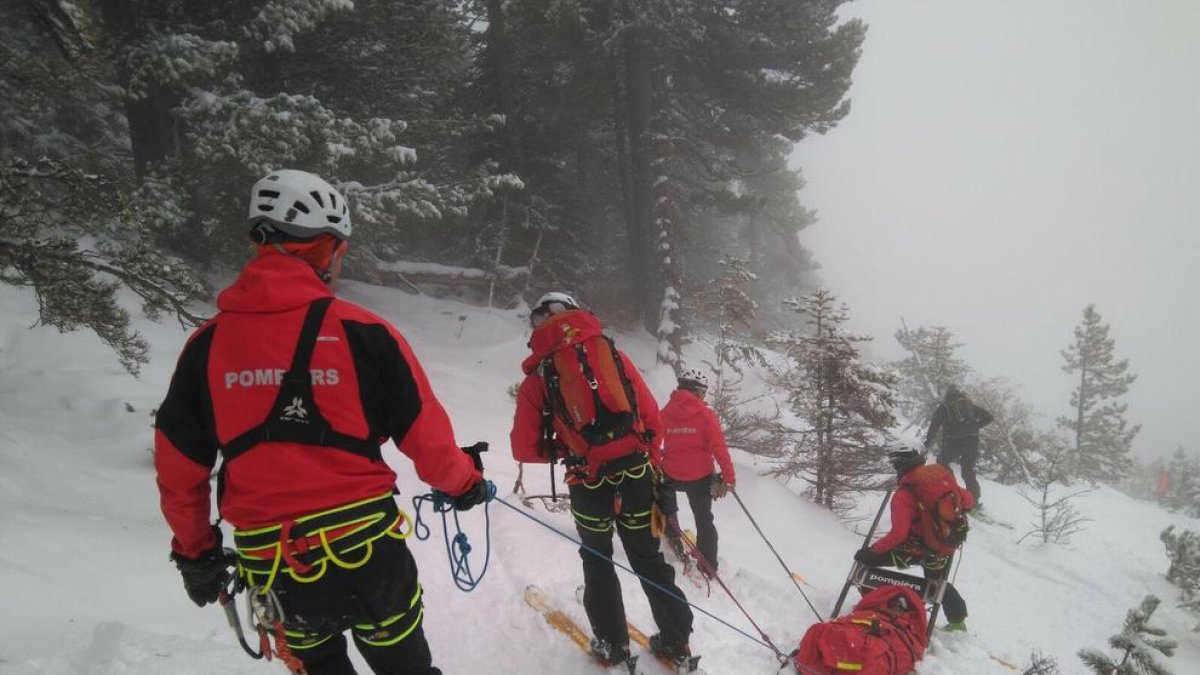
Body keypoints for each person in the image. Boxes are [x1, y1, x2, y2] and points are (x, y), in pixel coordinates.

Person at [154, 169, 489, 675]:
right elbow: (428, 439)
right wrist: (467, 484)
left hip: (277, 564)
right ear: (326, 246)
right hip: (367, 549)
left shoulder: (206, 347)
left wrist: (197, 553)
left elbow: (179, 467)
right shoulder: (365, 333)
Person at [509, 292, 696, 670]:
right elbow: (652, 420)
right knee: (647, 558)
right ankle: (676, 642)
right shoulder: (611, 354)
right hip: (636, 476)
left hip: (587, 482)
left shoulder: (539, 376)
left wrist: (567, 449)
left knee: (597, 559)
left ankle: (612, 644)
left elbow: (523, 448)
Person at [853, 440, 974, 631]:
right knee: (937, 585)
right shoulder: (941, 474)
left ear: (898, 465)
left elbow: (898, 535)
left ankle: (876, 602)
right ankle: (958, 623)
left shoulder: (904, 493)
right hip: (946, 545)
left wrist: (870, 552)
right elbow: (968, 500)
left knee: (867, 564)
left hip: (917, 548)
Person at [659, 367, 736, 575]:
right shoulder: (705, 414)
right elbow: (719, 448)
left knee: (667, 509)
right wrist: (729, 477)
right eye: (703, 392)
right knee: (704, 520)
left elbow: (655, 439)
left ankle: (672, 537)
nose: (704, 396)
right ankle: (708, 565)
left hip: (670, 473)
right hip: (699, 477)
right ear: (696, 391)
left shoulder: (665, 412)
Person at [924, 384, 993, 504]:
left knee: (942, 462)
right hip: (972, 441)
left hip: (953, 441)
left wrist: (927, 442)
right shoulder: (968, 405)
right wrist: (976, 426)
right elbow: (989, 417)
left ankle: (952, 491)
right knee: (968, 470)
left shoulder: (944, 407)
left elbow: (934, 426)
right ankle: (974, 500)